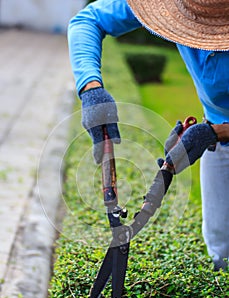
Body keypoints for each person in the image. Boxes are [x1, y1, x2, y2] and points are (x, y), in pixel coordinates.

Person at [68, 0, 229, 271]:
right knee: (221, 251)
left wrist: (214, 132)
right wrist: (91, 90)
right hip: (218, 141)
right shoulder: (174, 4)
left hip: (215, 133)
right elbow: (87, 21)